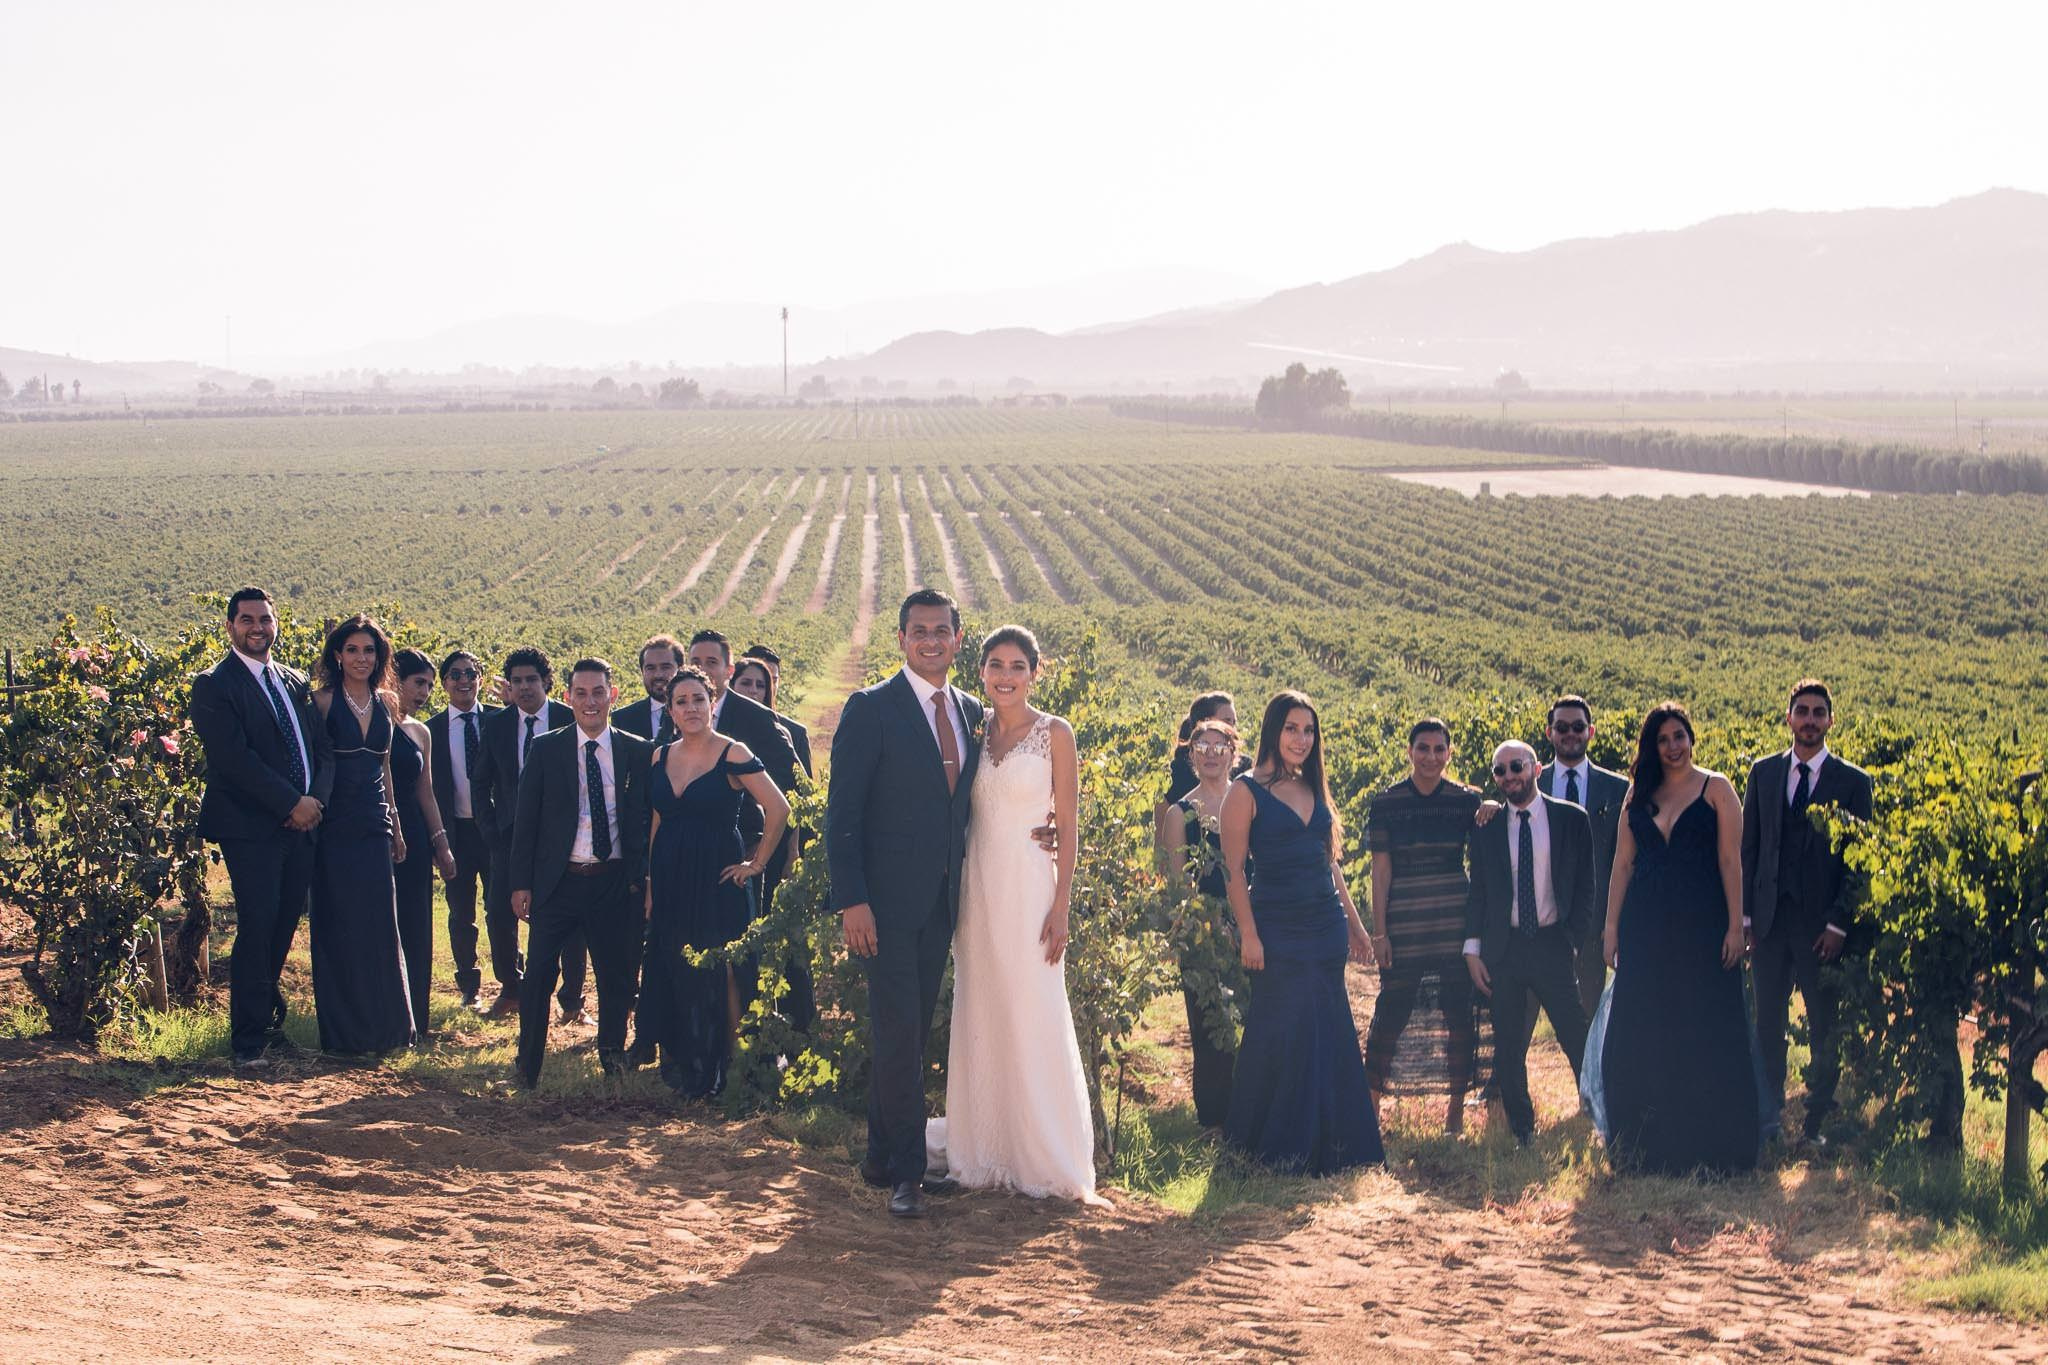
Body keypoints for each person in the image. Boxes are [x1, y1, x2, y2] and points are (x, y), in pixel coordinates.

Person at [926, 626, 1106, 1206]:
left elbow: (1069, 826)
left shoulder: (1056, 733)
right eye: (996, 665)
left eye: (1017, 666)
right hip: (978, 888)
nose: (1006, 676)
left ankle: (1045, 1153)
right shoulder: (970, 729)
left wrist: (1062, 904)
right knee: (982, 1006)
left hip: (1030, 888)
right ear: (981, 671)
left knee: (1034, 1005)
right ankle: (983, 1147)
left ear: (1034, 672)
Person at [826, 588, 985, 1220]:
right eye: (919, 630)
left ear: (958, 639)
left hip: (944, 902)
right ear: (900, 639)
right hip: (883, 908)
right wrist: (852, 901)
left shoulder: (971, 711)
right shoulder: (871, 708)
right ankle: (908, 1176)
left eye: (941, 630)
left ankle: (878, 1157)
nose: (930, 640)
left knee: (909, 1032)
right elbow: (843, 816)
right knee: (898, 1033)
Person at [1218, 690, 1383, 1175]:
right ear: (1273, 730)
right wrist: (1249, 934)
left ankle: (1336, 1149)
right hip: (1277, 930)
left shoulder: (1314, 786)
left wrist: (1355, 926)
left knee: (1329, 1029)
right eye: (1292, 728)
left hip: (1325, 930)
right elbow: (1233, 872)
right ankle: (1270, 1150)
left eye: (1309, 730)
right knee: (1279, 1029)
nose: (1301, 739)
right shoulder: (1244, 791)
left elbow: (1328, 863)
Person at [1595, 702, 1759, 1175]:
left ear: (1691, 739)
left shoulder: (1717, 788)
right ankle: (1643, 1145)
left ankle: (1712, 1146)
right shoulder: (1638, 794)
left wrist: (1735, 926)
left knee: (1704, 1026)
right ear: (1653, 746)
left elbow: (1731, 862)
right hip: (1645, 928)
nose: (1673, 747)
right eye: (1663, 739)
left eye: (1679, 737)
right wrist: (1611, 927)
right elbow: (1622, 863)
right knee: (1642, 1027)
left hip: (1703, 926)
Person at [629, 631, 800, 1063]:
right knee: (674, 960)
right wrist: (651, 882)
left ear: (712, 703)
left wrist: (756, 864)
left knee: (724, 967)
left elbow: (779, 808)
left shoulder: (733, 753)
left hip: (718, 876)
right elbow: (658, 820)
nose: (691, 708)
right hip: (670, 876)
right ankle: (684, 1055)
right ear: (670, 710)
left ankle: (732, 1061)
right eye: (681, 702)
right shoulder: (659, 757)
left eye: (698, 700)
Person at [188, 587, 334, 1068]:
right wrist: (290, 803)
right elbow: (233, 759)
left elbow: (322, 749)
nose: (257, 628)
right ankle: (247, 1042)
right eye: (247, 619)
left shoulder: (292, 680)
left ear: (276, 624)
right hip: (251, 827)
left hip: (304, 824)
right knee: (258, 923)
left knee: (284, 923)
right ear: (230, 626)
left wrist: (314, 803)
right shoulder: (214, 685)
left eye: (265, 619)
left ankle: (269, 1024)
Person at [507, 659, 653, 1087]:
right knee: (538, 976)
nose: (590, 702)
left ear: (613, 695)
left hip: (613, 881)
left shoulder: (637, 751)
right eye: (581, 693)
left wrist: (642, 879)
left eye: (598, 692)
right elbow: (526, 821)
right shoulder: (546, 749)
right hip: (559, 882)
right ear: (567, 697)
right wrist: (520, 883)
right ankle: (527, 1066)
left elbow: (647, 819)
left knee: (615, 977)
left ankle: (612, 1059)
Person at [1741, 679, 1873, 1147]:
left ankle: (1817, 1122)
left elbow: (1860, 862)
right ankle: (1769, 1118)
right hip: (1769, 924)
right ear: (1789, 717)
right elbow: (1749, 848)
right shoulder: (1763, 773)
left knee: (1823, 1024)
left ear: (1830, 721)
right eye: (1803, 711)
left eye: (1819, 712)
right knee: (1767, 1024)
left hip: (1821, 927)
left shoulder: (1854, 782)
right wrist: (1747, 919)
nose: (1810, 720)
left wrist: (1839, 923)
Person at [1462, 741, 1594, 1145]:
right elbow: (1479, 891)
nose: (1508, 776)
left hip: (1553, 942)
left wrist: (1572, 942)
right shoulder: (1486, 827)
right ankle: (1522, 1129)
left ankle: (1598, 1109)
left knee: (1575, 1033)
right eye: (1499, 770)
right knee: (1507, 1042)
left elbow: (1586, 887)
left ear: (1536, 769)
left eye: (1516, 766)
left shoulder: (1571, 819)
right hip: (1505, 947)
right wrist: (1472, 949)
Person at [1364, 719, 1484, 1134]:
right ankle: (1370, 1110)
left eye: (1438, 749)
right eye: (1423, 748)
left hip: (1454, 923)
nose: (1431, 757)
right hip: (1405, 925)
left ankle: (1455, 1114)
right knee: (1390, 1015)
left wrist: (1490, 807)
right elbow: (1381, 873)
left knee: (1458, 1017)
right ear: (1409, 751)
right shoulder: (1387, 802)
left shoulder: (1466, 802)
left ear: (1449, 753)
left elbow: (1484, 861)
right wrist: (1380, 934)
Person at [307, 615, 415, 1055]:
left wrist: (396, 827)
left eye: (369, 650)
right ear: (337, 654)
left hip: (374, 824)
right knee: (338, 924)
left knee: (379, 925)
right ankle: (345, 1036)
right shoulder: (321, 702)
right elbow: (312, 764)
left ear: (379, 656)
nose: (361, 658)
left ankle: (388, 1031)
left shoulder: (387, 701)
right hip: (333, 825)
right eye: (352, 649)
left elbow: (385, 767)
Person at [472, 648, 588, 1024]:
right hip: (509, 839)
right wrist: (491, 831)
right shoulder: (496, 725)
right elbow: (480, 783)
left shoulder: (569, 718)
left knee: (570, 920)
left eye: (531, 680)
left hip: (563, 840)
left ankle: (572, 1001)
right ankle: (512, 989)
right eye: (517, 681)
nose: (524, 687)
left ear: (546, 682)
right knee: (499, 915)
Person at [1154, 715, 1242, 1128]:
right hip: (1204, 938)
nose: (1210, 754)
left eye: (1218, 747)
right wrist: (1212, 927)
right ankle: (1214, 1127)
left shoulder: (1249, 803)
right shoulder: (1180, 814)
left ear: (1233, 753)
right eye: (1201, 747)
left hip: (1252, 929)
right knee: (1211, 1036)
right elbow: (1179, 888)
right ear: (1191, 755)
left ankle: (1251, 1121)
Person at [731, 652, 815, 1031]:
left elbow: (801, 794)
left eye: (760, 685)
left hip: (777, 845)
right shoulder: (720, 730)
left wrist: (794, 851)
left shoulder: (791, 730)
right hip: (738, 846)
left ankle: (798, 1025)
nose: (753, 690)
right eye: (745, 683)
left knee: (783, 937)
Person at [1539, 695, 1628, 1023]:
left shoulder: (1618, 789)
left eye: (1578, 727)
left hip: (1593, 925)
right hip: (1537, 926)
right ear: (1549, 732)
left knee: (1588, 1021)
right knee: (1520, 1026)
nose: (1570, 734)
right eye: (1562, 727)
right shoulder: (1530, 782)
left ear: (1590, 731)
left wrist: (1614, 924)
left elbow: (1623, 861)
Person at [391, 650, 461, 1039]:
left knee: (416, 926)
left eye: (430, 686)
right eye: (419, 683)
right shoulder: (371, 721)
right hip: (379, 834)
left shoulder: (420, 731)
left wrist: (441, 843)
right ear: (394, 679)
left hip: (416, 837)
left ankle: (416, 1018)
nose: (425, 692)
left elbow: (426, 792)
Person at [426, 650, 497, 1010]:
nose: (464, 680)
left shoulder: (500, 720)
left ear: (480, 678)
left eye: (470, 673)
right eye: (455, 674)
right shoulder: (432, 729)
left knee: (500, 909)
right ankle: (469, 985)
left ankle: (512, 978)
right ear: (444, 683)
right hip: (456, 832)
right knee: (461, 913)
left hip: (495, 831)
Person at [1155, 691, 1240, 850]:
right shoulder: (1173, 775)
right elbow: (1162, 847)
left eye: (1233, 722)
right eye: (1227, 721)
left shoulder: (1245, 781)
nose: (1232, 728)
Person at [740, 644, 812, 777]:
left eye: (773, 680)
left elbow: (805, 787)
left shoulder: (796, 734)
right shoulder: (719, 725)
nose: (769, 687)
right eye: (748, 682)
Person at [613, 634, 682, 742]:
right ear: (642, 672)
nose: (658, 675)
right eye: (651, 668)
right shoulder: (622, 719)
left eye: (665, 667)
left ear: (680, 669)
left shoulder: (696, 712)